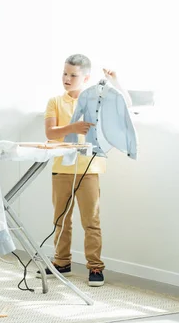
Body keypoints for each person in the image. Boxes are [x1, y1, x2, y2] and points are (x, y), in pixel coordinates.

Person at [41, 54, 132, 287]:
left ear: (86, 78)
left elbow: (125, 106)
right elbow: (51, 133)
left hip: (90, 169)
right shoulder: (54, 101)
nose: (67, 78)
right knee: (61, 219)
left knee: (91, 220)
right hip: (62, 167)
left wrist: (116, 83)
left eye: (73, 75)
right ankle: (62, 262)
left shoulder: (97, 101)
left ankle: (95, 266)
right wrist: (72, 127)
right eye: (65, 73)